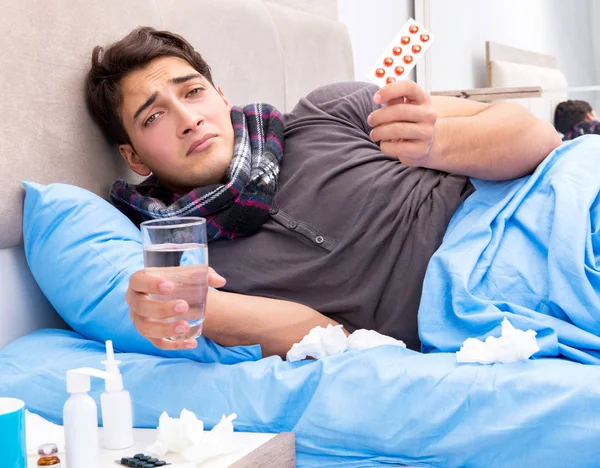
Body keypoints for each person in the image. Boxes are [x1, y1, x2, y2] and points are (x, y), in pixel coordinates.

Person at [86, 27, 561, 358]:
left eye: (192, 93)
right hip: (486, 301)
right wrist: (196, 309)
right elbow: (326, 337)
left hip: (545, 207)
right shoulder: (197, 259)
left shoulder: (328, 110)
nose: (188, 119)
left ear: (222, 97)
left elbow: (537, 137)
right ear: (134, 159)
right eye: (153, 117)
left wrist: (440, 142)